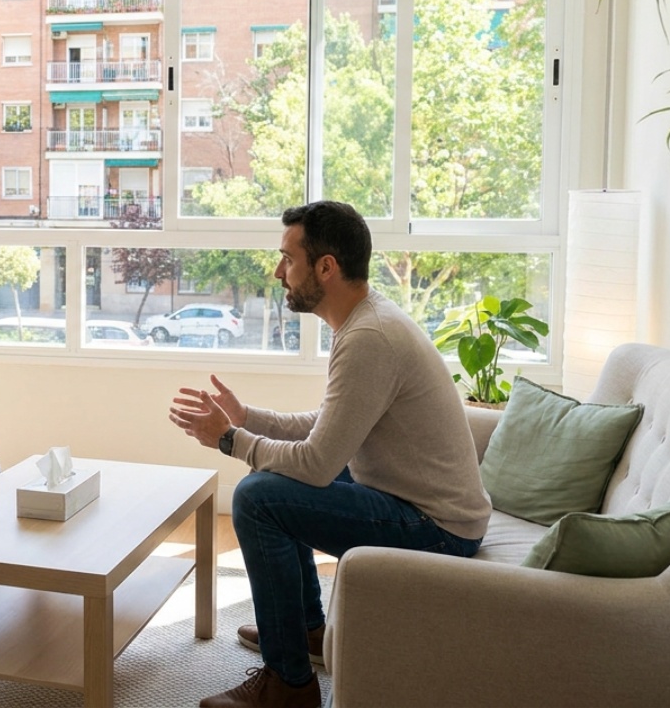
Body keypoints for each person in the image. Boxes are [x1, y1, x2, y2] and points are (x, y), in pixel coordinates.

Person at [169, 200, 490, 708]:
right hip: (419, 504)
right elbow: (325, 431)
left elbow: (316, 463)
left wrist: (229, 439)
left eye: (288, 259)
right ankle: (307, 631)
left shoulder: (369, 338)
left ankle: (288, 684)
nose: (279, 273)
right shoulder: (366, 320)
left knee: (257, 498)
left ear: (326, 266)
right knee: (278, 479)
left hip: (438, 531)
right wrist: (245, 416)